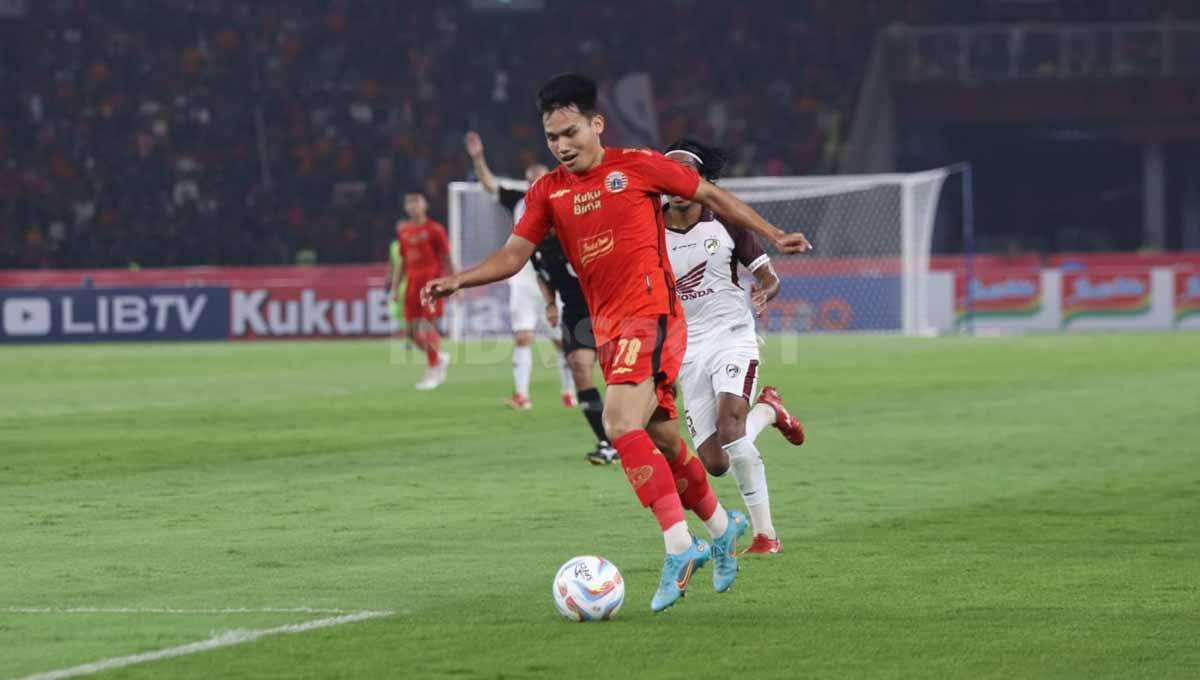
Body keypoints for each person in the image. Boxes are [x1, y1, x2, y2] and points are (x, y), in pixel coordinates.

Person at [423, 73, 811, 612]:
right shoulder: (548, 191)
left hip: (652, 318)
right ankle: (723, 530)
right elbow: (513, 256)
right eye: (552, 136)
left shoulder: (636, 166)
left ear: (595, 125)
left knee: (618, 423)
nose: (561, 145)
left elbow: (709, 194)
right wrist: (459, 280)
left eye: (570, 132)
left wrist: (772, 236)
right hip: (609, 331)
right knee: (669, 442)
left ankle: (680, 548)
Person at [663, 138, 806, 556]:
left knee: (730, 430)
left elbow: (769, 277)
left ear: (701, 181)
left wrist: (766, 291)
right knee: (715, 462)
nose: (675, 183)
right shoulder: (650, 227)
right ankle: (769, 410)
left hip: (731, 336)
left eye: (685, 174)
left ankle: (767, 536)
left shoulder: (726, 221)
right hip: (687, 350)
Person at [463, 131, 577, 409]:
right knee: (523, 336)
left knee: (563, 341)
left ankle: (570, 392)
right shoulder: (518, 200)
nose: (533, 184)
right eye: (529, 180)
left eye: (537, 179)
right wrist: (478, 158)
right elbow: (489, 184)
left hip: (554, 278)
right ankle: (522, 395)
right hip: (524, 280)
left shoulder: (563, 201)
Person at [531, 228, 620, 465]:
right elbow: (541, 275)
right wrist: (550, 303)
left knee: (619, 375)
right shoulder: (535, 246)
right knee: (579, 369)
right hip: (574, 313)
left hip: (605, 307)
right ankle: (607, 442)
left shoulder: (576, 234)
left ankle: (632, 433)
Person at [392, 191, 452, 390]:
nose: (413, 206)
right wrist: (394, 287)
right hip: (412, 284)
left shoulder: (435, 230)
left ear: (424, 205)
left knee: (427, 328)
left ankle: (433, 370)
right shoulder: (404, 232)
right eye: (409, 203)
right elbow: (402, 262)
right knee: (410, 333)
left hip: (431, 284)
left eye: (416, 202)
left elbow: (447, 257)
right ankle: (439, 357)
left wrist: (455, 281)